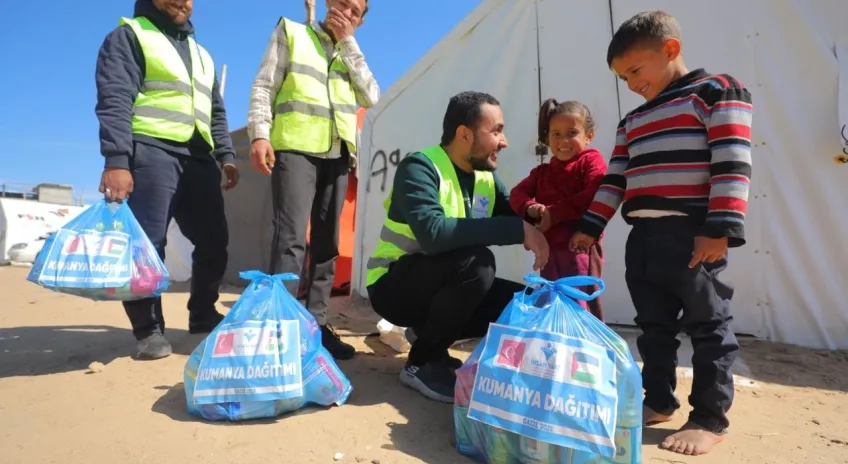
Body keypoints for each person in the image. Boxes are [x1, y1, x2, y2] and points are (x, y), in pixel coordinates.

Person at [570, 11, 753, 456]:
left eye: (635, 70)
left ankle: (710, 417)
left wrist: (721, 229)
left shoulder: (715, 91)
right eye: (622, 76)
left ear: (670, 49)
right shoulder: (631, 119)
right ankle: (658, 400)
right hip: (644, 239)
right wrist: (590, 226)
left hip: (693, 236)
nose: (631, 83)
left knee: (708, 325)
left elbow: (732, 160)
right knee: (652, 327)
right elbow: (615, 179)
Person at [366, 91, 550, 403]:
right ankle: (422, 362)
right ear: (464, 134)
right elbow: (434, 234)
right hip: (393, 286)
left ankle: (427, 334)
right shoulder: (419, 168)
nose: (504, 142)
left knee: (527, 302)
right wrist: (518, 228)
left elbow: (514, 216)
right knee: (478, 265)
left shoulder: (485, 178)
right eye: (496, 131)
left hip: (438, 283)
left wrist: (533, 213)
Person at [95, 0, 238, 360]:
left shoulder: (201, 53)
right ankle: (149, 331)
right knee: (148, 245)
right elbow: (114, 97)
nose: (183, 2)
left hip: (199, 157)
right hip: (151, 151)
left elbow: (215, 110)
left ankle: (203, 314)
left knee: (214, 240)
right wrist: (117, 160)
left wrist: (225, 155)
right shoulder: (130, 36)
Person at [247, 0, 379, 360]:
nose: (345, 13)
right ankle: (281, 328)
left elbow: (372, 96)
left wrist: (349, 43)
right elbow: (264, 86)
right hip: (295, 148)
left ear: (360, 21)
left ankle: (316, 326)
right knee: (290, 240)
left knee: (327, 245)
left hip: (337, 154)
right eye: (342, 4)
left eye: (355, 12)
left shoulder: (352, 52)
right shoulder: (292, 32)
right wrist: (260, 134)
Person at [509, 99, 607, 320]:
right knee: (552, 304)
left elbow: (594, 193)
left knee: (579, 304)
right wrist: (531, 208)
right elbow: (516, 195)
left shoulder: (591, 161)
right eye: (556, 134)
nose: (563, 140)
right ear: (547, 138)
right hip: (549, 251)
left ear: (588, 136)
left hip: (580, 249)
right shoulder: (542, 172)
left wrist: (553, 214)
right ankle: (557, 350)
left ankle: (584, 351)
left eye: (572, 132)